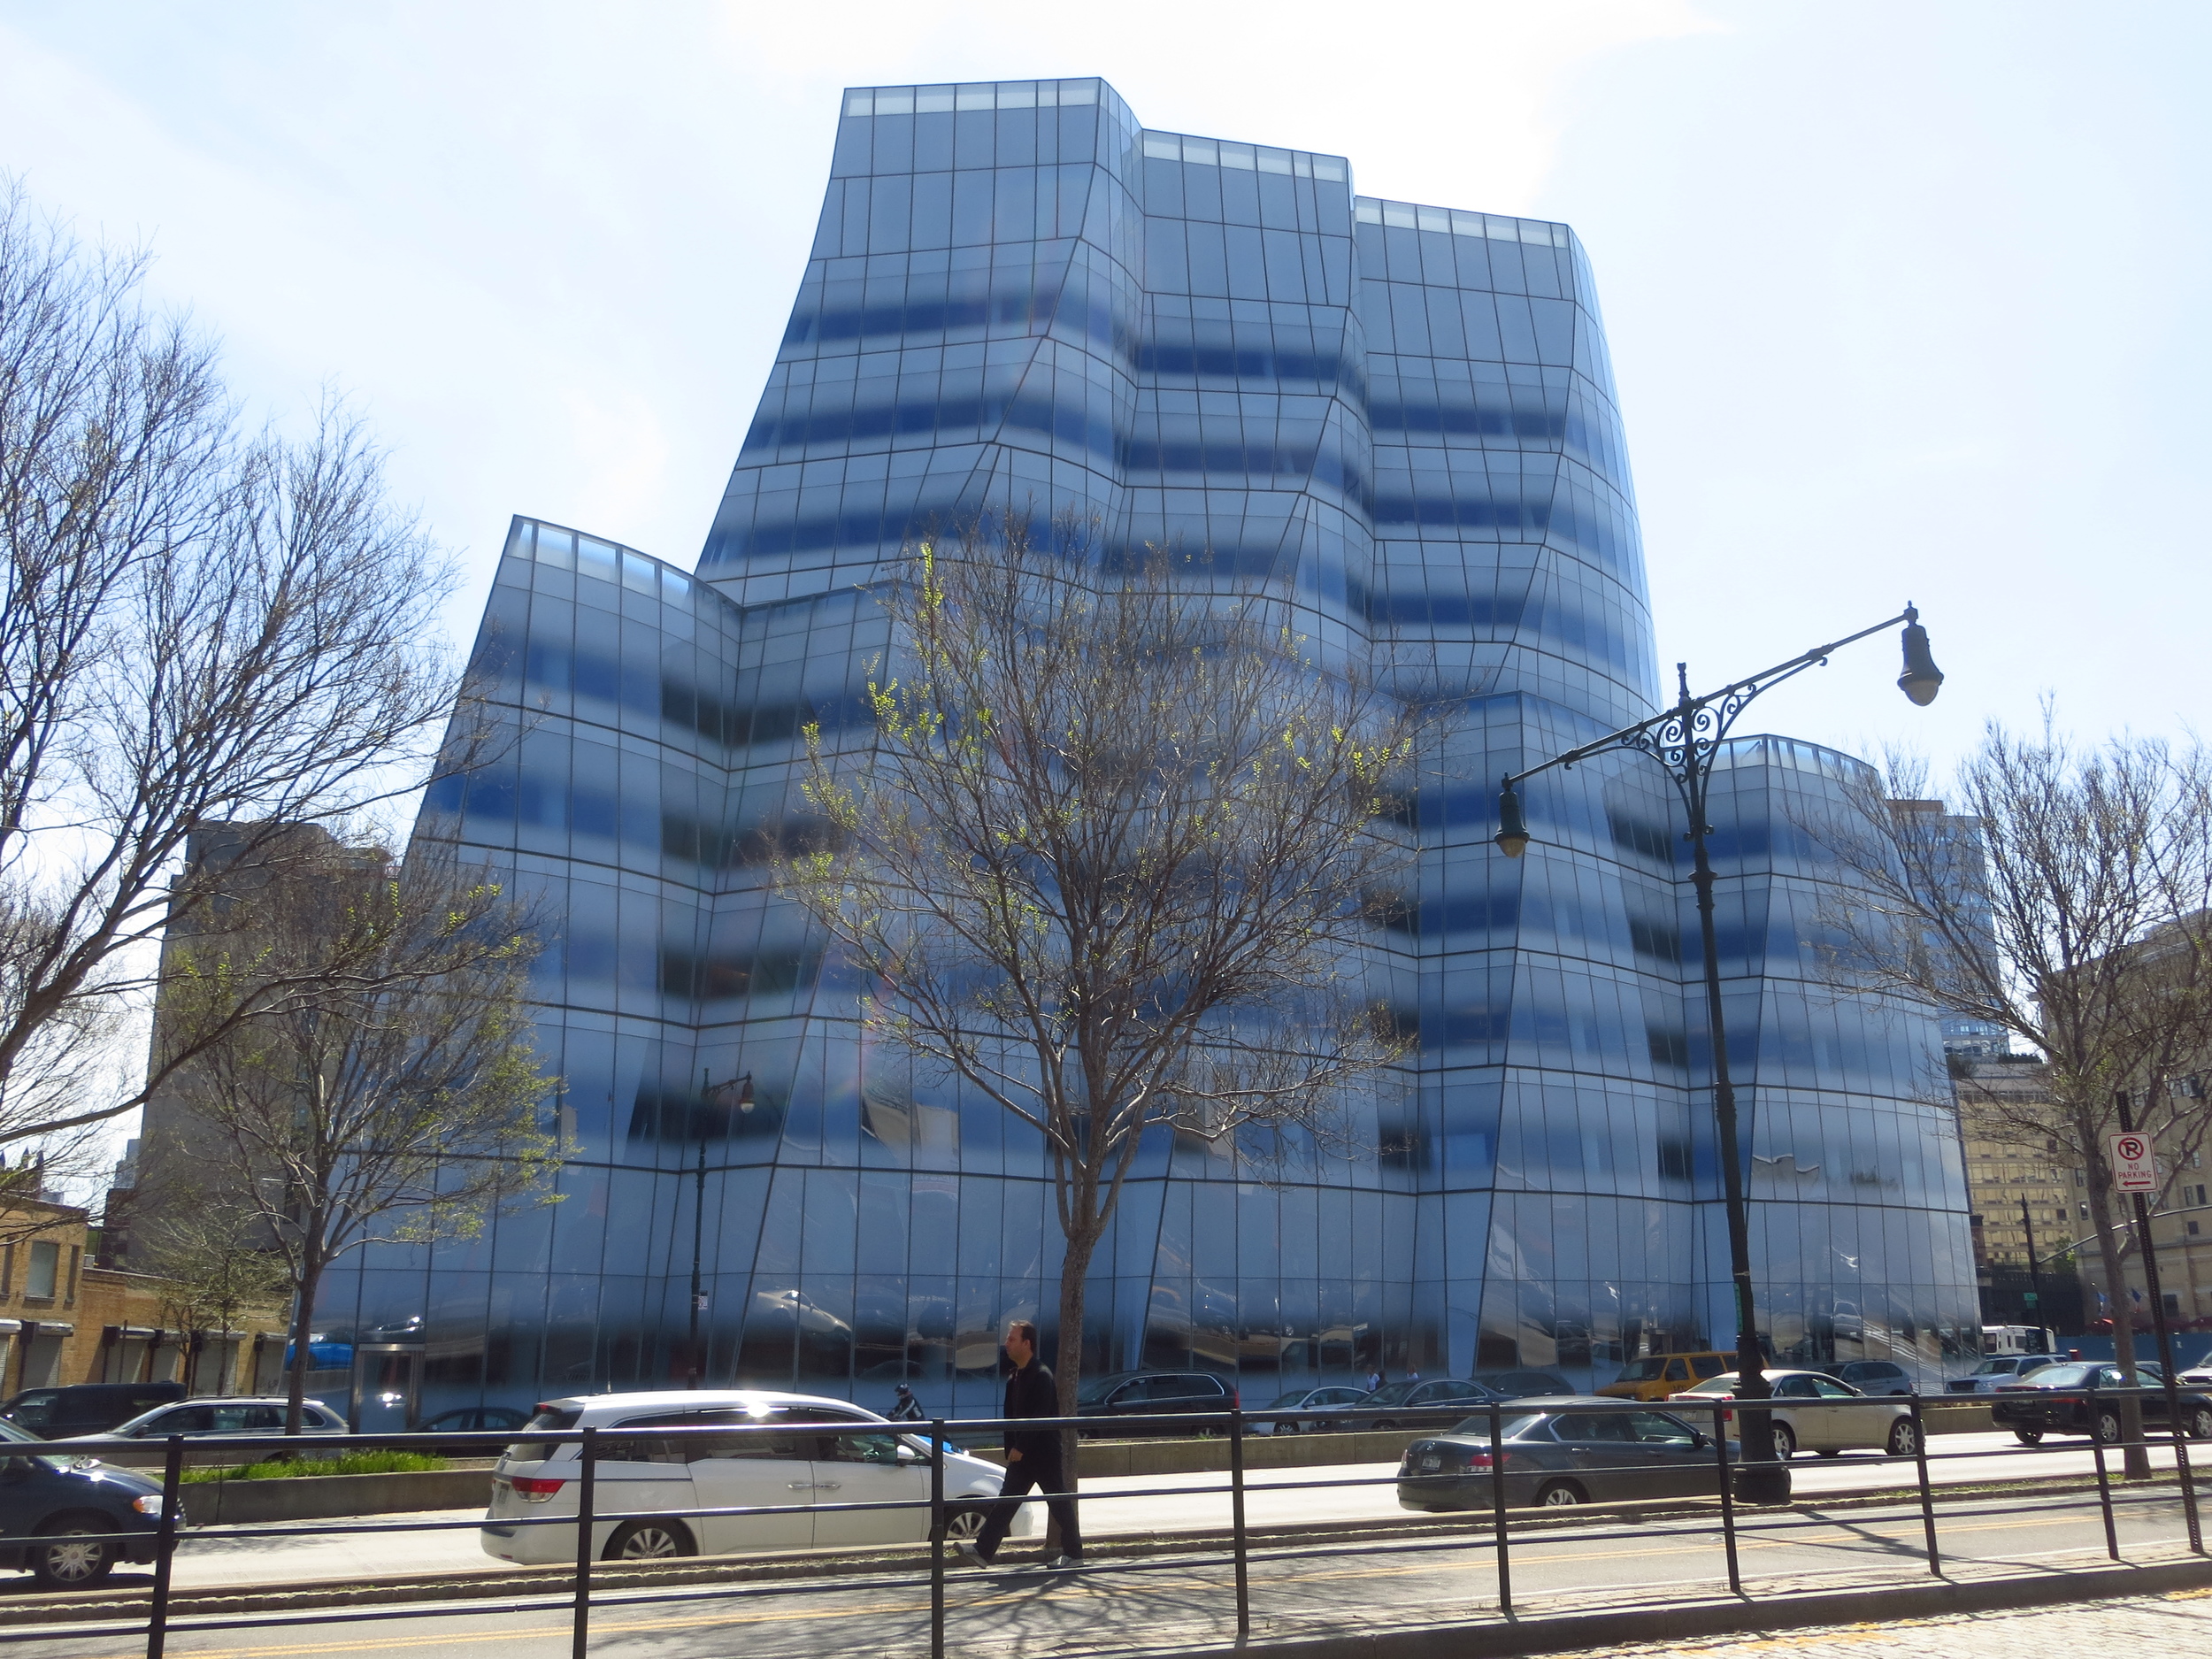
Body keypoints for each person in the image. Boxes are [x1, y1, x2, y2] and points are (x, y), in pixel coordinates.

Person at [956, 1320, 1081, 1570]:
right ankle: (982, 1550)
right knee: (1007, 1501)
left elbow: (1040, 1417)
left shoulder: (1042, 1376)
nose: (1006, 1343)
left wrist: (1020, 1447)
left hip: (1043, 1453)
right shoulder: (1015, 1376)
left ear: (1027, 1343)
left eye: (1012, 1339)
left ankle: (1075, 1554)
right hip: (1022, 1456)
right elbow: (1011, 1418)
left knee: (1058, 1502)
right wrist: (1011, 1448)